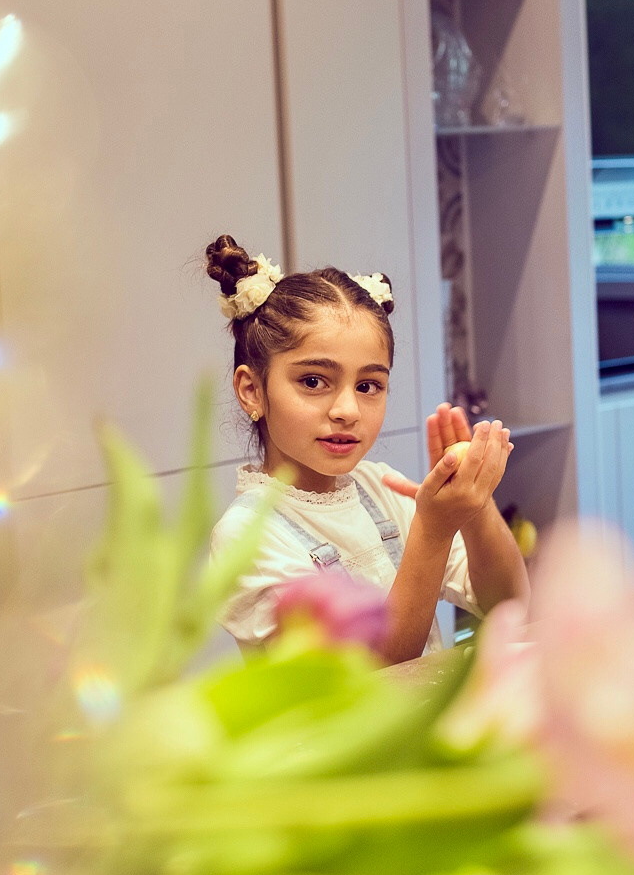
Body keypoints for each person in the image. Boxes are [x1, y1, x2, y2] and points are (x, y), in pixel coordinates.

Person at [203, 235, 526, 662]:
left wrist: (475, 506)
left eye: (368, 385)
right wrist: (432, 531)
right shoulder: (246, 537)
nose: (347, 410)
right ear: (252, 391)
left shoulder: (381, 486)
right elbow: (368, 677)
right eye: (313, 381)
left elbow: (509, 604)